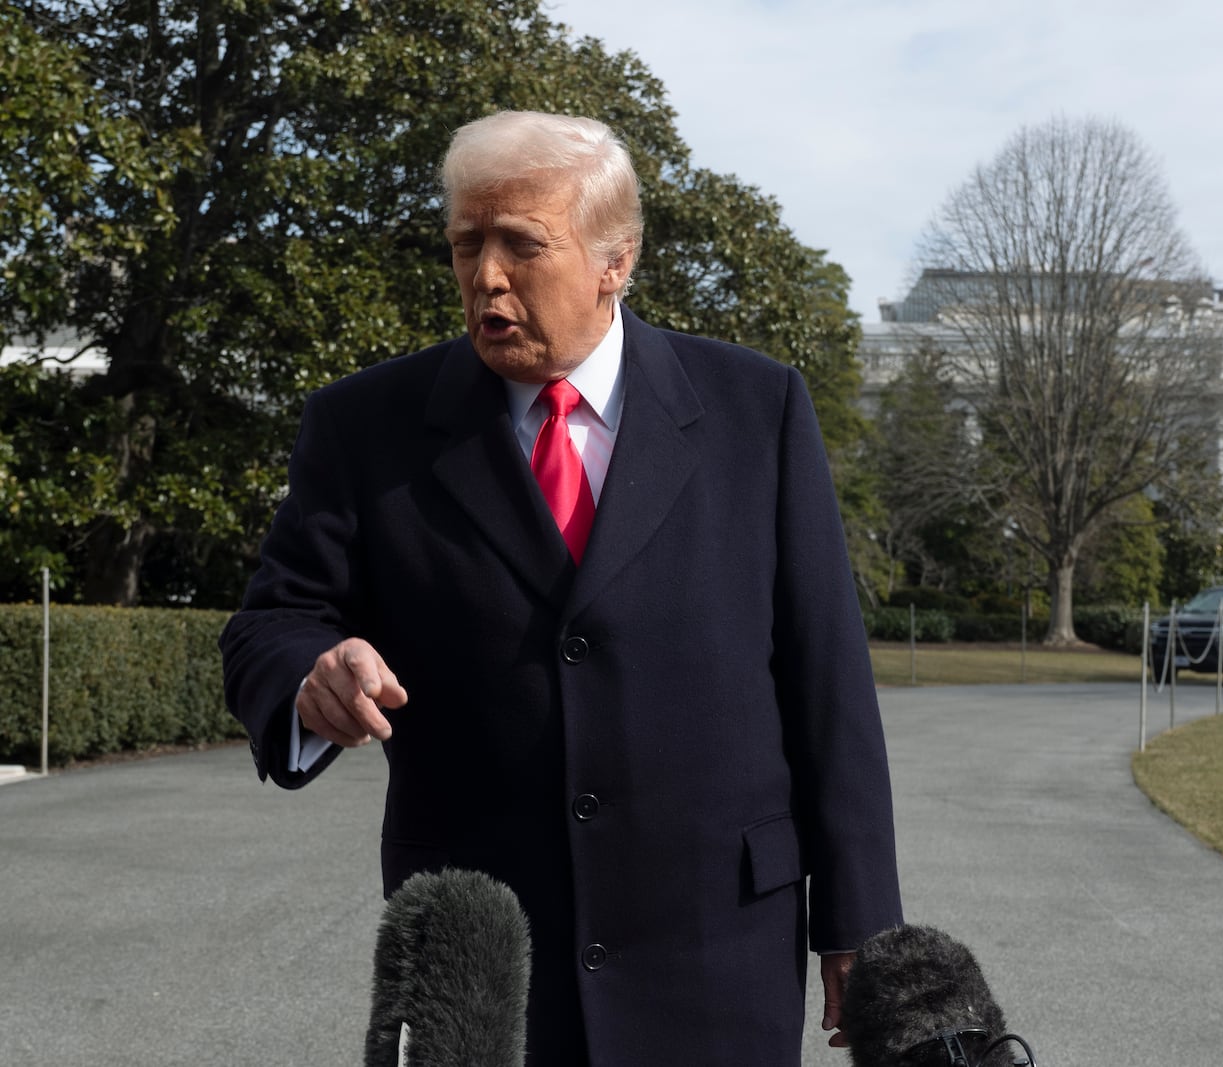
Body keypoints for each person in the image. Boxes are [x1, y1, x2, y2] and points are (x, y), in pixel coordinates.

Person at [219, 110, 902, 1067]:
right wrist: (307, 675)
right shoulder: (363, 427)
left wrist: (860, 927)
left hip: (716, 950)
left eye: (520, 245)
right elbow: (274, 620)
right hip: (480, 961)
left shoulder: (759, 408)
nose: (485, 276)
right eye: (467, 244)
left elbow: (828, 686)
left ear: (613, 261)